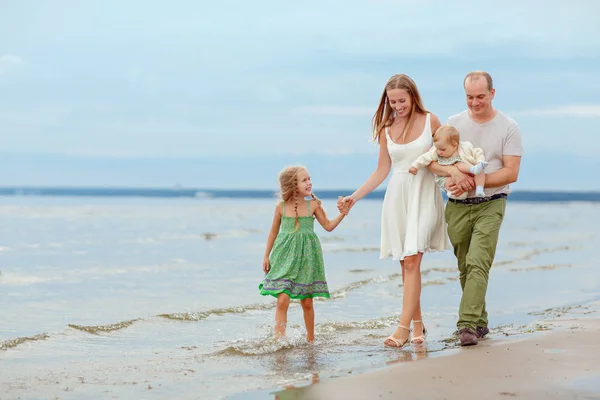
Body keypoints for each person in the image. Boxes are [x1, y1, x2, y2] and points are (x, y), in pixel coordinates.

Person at [337, 74, 449, 348]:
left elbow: (448, 154)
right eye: (393, 101)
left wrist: (457, 180)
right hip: (397, 196)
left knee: (412, 261)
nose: (398, 106)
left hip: (424, 194)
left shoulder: (431, 121)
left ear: (413, 96)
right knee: (406, 265)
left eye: (402, 100)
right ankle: (418, 325)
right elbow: (381, 170)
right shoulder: (386, 128)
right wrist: (354, 197)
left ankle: (402, 328)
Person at [428, 71, 523, 346]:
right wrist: (453, 178)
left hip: (491, 203)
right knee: (465, 267)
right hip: (457, 205)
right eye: (470, 97)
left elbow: (511, 172)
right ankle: (480, 323)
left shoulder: (509, 127)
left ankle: (466, 325)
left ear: (492, 93)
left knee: (478, 261)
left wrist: (470, 182)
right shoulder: (453, 123)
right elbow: (435, 163)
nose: (475, 102)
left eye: (480, 96)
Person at [259, 165, 349, 343]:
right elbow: (272, 233)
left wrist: (343, 214)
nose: (309, 182)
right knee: (282, 299)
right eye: (304, 180)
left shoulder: (313, 205)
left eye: (309, 179)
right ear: (293, 185)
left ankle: (311, 340)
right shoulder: (281, 207)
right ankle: (279, 340)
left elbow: (329, 226)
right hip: (284, 256)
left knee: (307, 301)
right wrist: (266, 256)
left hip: (307, 257)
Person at [409, 124, 489, 199]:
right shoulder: (436, 151)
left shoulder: (465, 147)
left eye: (443, 149)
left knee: (480, 171)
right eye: (437, 148)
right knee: (458, 166)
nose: (439, 152)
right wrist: (415, 166)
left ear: (454, 145)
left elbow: (478, 152)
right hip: (448, 178)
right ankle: (457, 190)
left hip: (469, 171)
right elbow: (425, 158)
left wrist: (480, 161)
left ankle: (479, 189)